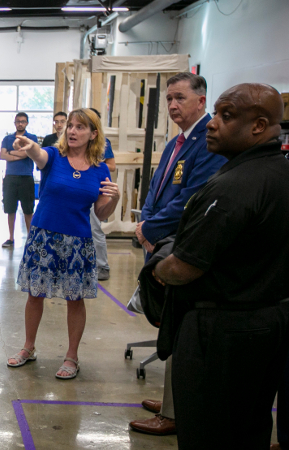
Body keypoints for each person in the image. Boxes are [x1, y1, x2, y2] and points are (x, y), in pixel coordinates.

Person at [153, 83, 289, 449]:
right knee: (248, 427)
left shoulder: (234, 187)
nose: (213, 124)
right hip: (268, 321)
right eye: (215, 114)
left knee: (207, 430)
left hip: (222, 332)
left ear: (259, 126)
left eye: (226, 116)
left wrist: (158, 266)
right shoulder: (280, 173)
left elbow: (184, 267)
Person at [129, 72, 226, 437]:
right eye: (169, 98)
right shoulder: (176, 143)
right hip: (160, 241)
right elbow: (155, 191)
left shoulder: (209, 142)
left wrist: (150, 229)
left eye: (180, 98)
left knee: (181, 330)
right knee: (171, 323)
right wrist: (146, 224)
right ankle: (174, 399)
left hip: (183, 246)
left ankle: (174, 412)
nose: (172, 105)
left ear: (201, 101)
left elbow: (193, 199)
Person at [7, 109, 120, 379]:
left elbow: (101, 214)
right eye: (70, 125)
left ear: (93, 134)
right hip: (44, 236)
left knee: (75, 299)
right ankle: (28, 348)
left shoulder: (100, 169)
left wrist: (115, 198)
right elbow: (38, 155)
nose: (72, 131)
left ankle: (72, 357)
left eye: (80, 127)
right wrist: (28, 144)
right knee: (35, 294)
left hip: (78, 242)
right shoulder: (55, 156)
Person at [0, 112, 38, 248]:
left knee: (28, 210)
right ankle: (10, 238)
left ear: (27, 123)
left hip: (26, 178)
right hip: (10, 177)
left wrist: (10, 153)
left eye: (23, 121)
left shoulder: (31, 138)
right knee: (10, 209)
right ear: (15, 123)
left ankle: (30, 239)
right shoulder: (7, 139)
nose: (20, 123)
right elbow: (2, 155)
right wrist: (19, 154)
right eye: (18, 121)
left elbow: (28, 154)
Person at [87, 108, 117, 281]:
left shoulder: (104, 143)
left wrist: (95, 163)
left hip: (96, 190)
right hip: (80, 189)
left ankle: (102, 265)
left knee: (96, 229)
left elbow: (111, 166)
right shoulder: (75, 142)